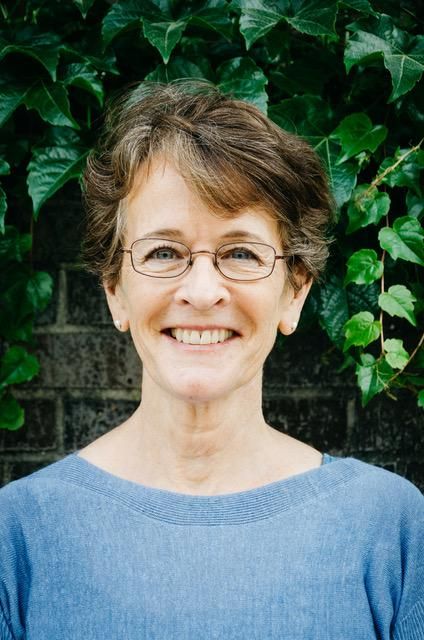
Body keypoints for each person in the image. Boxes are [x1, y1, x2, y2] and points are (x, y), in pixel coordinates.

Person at [0, 81, 423, 640]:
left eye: (241, 252)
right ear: (114, 290)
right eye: (164, 252)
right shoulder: (18, 535)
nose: (202, 292)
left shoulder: (392, 530)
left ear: (294, 292)